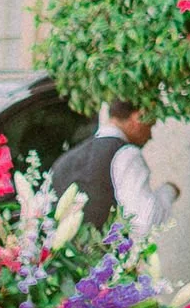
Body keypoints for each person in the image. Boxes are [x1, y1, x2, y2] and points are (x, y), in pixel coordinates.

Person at [44, 100, 157, 236]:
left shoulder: (64, 161)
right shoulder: (126, 154)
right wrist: (168, 192)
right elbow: (145, 219)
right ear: (137, 117)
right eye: (150, 126)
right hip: (109, 252)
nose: (150, 136)